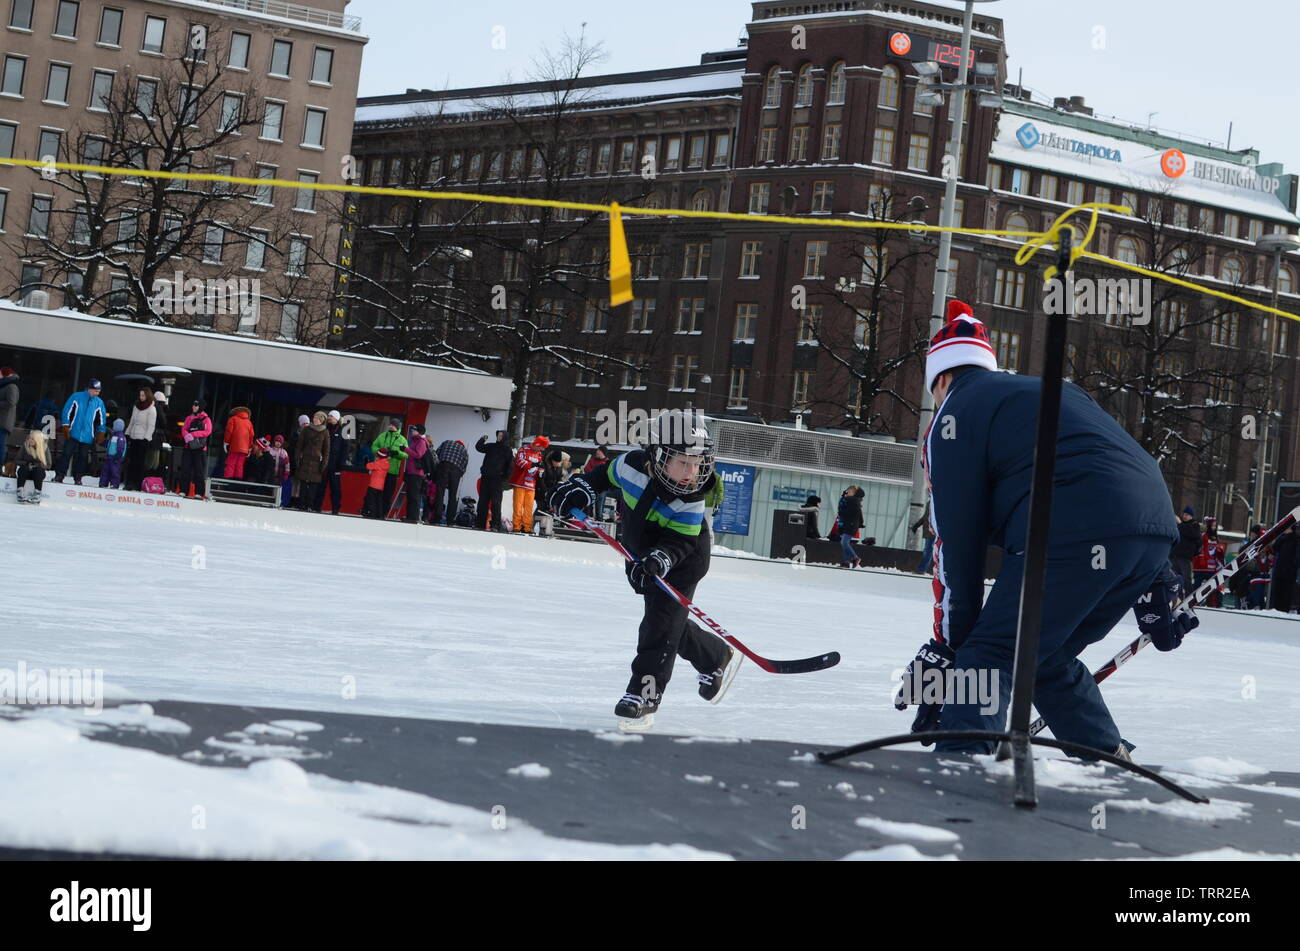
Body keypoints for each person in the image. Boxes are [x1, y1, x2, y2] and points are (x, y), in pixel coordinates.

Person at [892, 300, 1191, 760]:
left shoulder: (952, 418)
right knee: (1039, 655)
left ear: (943, 378)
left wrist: (951, 649)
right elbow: (1116, 469)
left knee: (990, 654)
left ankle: (960, 773)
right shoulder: (1055, 392)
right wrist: (1159, 577)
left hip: (1075, 529)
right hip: (1152, 531)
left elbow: (957, 549)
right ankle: (1107, 760)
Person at [545, 410, 741, 731]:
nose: (692, 471)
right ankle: (714, 655)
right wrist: (578, 489)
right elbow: (599, 478)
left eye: (698, 463)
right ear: (657, 454)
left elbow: (679, 542)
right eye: (683, 461)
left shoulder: (691, 495)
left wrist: (658, 561)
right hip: (640, 553)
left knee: (658, 626)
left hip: (682, 559)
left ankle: (644, 694)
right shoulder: (630, 465)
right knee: (666, 620)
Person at [56, 379, 107, 484]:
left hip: (88, 435)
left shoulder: (99, 402)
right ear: (90, 389)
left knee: (83, 458)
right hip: (73, 432)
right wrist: (65, 425)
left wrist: (101, 432)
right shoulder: (76, 397)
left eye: (99, 391)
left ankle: (78, 478)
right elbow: (66, 410)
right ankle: (59, 475)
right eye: (96, 391)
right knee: (66, 454)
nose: (98, 393)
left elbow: (102, 418)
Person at [474, 430, 512, 532]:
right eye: (498, 435)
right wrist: (482, 439)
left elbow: (510, 467)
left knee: (496, 504)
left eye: (501, 436)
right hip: (486, 478)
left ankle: (495, 525)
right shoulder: (491, 446)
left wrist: (503, 479)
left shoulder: (508, 450)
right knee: (482, 502)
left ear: (505, 437)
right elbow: (479, 447)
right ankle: (479, 524)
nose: (499, 437)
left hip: (497, 481)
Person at [371, 418, 408, 516]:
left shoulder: (402, 439)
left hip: (392, 471)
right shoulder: (383, 435)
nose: (390, 426)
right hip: (380, 470)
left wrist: (396, 453)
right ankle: (374, 512)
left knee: (388, 494)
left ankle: (382, 514)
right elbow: (374, 447)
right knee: (376, 492)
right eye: (390, 424)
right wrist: (380, 452)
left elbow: (406, 455)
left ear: (397, 427)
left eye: (392, 425)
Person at [510, 435, 547, 534]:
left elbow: (539, 467)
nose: (542, 450)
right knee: (518, 506)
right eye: (541, 447)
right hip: (520, 482)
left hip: (531, 484)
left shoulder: (539, 454)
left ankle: (527, 527)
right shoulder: (523, 449)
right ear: (537, 444)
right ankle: (517, 526)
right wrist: (533, 464)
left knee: (529, 507)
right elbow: (519, 462)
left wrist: (541, 471)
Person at [122, 387, 157, 491]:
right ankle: (129, 483)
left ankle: (137, 484)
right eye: (140, 395)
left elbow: (151, 426)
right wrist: (127, 433)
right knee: (131, 461)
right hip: (134, 437)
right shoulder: (136, 406)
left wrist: (146, 438)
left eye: (143, 395)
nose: (141, 397)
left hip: (143, 439)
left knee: (140, 462)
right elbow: (132, 421)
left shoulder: (151, 409)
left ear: (148, 396)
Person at [178, 399, 214, 499]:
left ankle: (199, 492)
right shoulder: (188, 418)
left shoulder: (206, 419)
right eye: (193, 405)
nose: (194, 407)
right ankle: (183, 490)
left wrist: (193, 434)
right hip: (188, 447)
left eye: (196, 405)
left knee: (199, 471)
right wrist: (186, 435)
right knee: (185, 469)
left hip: (200, 448)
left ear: (201, 407)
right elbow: (184, 429)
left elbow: (207, 431)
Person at [295, 411, 330, 512]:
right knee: (303, 485)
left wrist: (324, 464)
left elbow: (326, 450)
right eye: (314, 417)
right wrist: (297, 459)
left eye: (317, 418)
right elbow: (299, 446)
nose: (314, 419)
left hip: (316, 463)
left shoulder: (325, 432)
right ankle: (301, 505)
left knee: (313, 487)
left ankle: (310, 505)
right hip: (305, 460)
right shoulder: (306, 430)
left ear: (321, 420)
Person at [316, 410, 348, 514]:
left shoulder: (343, 430)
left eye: (331, 416)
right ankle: (317, 507)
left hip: (336, 465)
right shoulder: (325, 429)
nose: (329, 418)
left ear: (336, 418)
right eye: (328, 416)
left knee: (335, 489)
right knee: (321, 487)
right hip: (325, 464)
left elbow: (345, 449)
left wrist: (341, 463)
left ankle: (335, 509)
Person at [431, 437, 469, 526]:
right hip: (456, 470)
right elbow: (464, 467)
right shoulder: (464, 450)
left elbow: (436, 455)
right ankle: (450, 521)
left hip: (443, 466)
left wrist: (437, 471)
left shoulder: (446, 442)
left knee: (440, 493)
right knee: (452, 496)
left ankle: (437, 518)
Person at [1192, 516, 1226, 608]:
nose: (1214, 528)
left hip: (1212, 568)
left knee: (1214, 585)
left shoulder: (1216, 538)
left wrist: (1219, 552)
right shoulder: (1203, 536)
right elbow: (1198, 549)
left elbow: (1217, 551)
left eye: (1215, 526)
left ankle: (1214, 603)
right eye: (1213, 526)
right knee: (1197, 586)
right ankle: (1194, 602)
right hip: (1201, 567)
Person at [401, 423, 432, 523]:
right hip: (412, 472)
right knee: (410, 495)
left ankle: (413, 518)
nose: (412, 431)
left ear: (419, 431)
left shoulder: (421, 442)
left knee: (414, 496)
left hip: (417, 473)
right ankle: (410, 517)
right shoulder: (416, 440)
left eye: (414, 430)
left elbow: (418, 455)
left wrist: (405, 449)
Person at [535, 448, 568, 538]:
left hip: (551, 494)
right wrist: (545, 491)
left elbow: (559, 480)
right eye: (556, 462)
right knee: (539, 511)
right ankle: (534, 527)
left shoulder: (559, 469)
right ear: (552, 460)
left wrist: (557, 490)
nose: (558, 464)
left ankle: (545, 529)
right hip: (540, 493)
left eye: (559, 462)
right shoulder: (544, 466)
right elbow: (540, 480)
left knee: (549, 512)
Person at [15, 429, 51, 503]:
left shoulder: (44, 448)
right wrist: (26, 463)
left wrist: (38, 465)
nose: (30, 440)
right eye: (29, 438)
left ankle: (37, 494)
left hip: (38, 473)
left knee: (39, 470)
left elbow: (48, 464)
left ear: (37, 440)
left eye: (32, 439)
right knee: (23, 469)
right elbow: (17, 460)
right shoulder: (25, 446)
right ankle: (20, 493)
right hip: (26, 472)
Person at [222, 406, 255, 480]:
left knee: (231, 463)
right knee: (240, 465)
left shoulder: (233, 419)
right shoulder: (249, 422)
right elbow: (251, 436)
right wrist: (249, 447)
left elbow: (228, 432)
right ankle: (237, 483)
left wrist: (226, 442)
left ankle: (228, 481)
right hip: (245, 448)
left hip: (234, 446)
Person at [1171, 507, 1200, 591]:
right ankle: (1177, 596)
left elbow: (1192, 535)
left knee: (1186, 578)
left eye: (1187, 515)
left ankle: (1188, 596)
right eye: (1184, 514)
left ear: (1191, 516)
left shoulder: (1194, 525)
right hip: (1175, 555)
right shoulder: (1180, 525)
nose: (1185, 516)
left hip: (1185, 557)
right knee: (1175, 578)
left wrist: (1180, 523)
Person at [1270, 524, 1297, 613]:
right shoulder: (1284, 538)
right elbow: (1275, 547)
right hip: (1281, 572)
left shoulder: (1294, 539)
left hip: (1288, 572)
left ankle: (1282, 610)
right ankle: (1278, 610)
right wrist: (1284, 535)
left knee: (1285, 595)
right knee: (1279, 594)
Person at [837, 485, 865, 568]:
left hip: (851, 525)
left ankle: (855, 558)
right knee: (844, 542)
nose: (847, 494)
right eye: (847, 492)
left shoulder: (853, 501)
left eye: (849, 492)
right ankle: (846, 562)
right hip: (849, 524)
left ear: (854, 493)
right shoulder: (852, 501)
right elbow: (859, 515)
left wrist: (842, 512)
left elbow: (850, 513)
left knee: (844, 542)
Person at [99, 419, 128, 489]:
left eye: (114, 425)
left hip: (115, 459)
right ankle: (103, 484)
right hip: (109, 457)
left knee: (114, 472)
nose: (113, 427)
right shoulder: (113, 436)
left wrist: (117, 458)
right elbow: (110, 445)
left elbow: (120, 449)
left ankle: (114, 485)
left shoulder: (121, 437)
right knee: (105, 471)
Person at [362, 449, 391, 518]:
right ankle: (379, 515)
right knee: (379, 501)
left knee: (371, 500)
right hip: (380, 486)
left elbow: (367, 466)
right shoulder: (387, 464)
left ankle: (372, 514)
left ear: (379, 456)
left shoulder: (378, 463)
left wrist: (366, 460)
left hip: (373, 485)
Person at [148, 390, 170, 480]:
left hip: (152, 438)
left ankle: (148, 479)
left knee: (152, 460)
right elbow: (163, 423)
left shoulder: (151, 407)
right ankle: (151, 479)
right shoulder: (159, 409)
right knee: (154, 461)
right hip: (156, 438)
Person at [0, 366, 19, 467]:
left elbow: (11, 402)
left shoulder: (11, 386)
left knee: (1, 445)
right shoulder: (4, 386)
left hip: (3, 422)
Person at [268, 434, 292, 502]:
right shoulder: (270, 450)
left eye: (280, 442)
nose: (278, 443)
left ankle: (276, 501)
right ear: (274, 441)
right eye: (277, 441)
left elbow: (287, 465)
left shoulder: (284, 452)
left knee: (277, 489)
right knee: (269, 487)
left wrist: (286, 474)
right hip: (270, 474)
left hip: (280, 475)